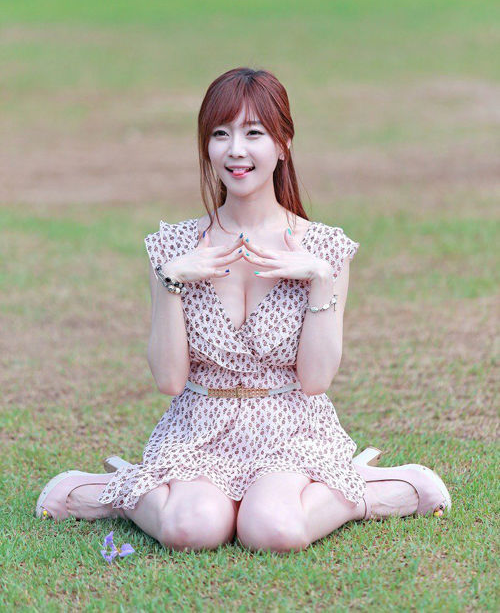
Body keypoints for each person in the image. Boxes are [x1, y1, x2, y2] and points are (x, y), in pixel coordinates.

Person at [35, 67, 451, 553]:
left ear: (283, 144)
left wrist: (319, 280)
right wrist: (172, 281)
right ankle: (120, 491)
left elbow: (315, 380)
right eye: (220, 134)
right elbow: (169, 380)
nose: (236, 150)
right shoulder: (172, 248)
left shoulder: (324, 249)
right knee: (191, 531)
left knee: (273, 531)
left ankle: (364, 490)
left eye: (253, 133)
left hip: (291, 424)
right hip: (199, 425)